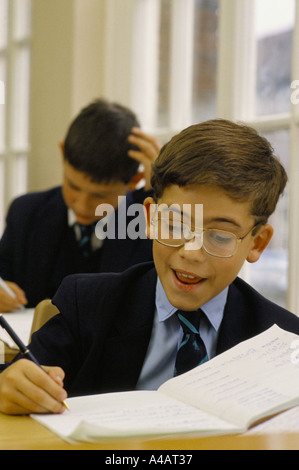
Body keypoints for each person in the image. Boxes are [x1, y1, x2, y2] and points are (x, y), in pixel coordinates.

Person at [1, 118, 299, 416]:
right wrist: (10, 383)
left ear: (257, 243)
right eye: (174, 224)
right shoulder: (88, 305)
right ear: (150, 219)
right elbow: (20, 379)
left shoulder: (283, 339)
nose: (191, 252)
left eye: (220, 236)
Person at [0, 99, 161, 311]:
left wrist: (161, 193)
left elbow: (155, 297)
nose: (83, 206)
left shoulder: (148, 222)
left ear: (134, 181)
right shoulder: (26, 213)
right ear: (62, 153)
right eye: (73, 187)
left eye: (100, 196)